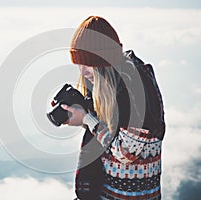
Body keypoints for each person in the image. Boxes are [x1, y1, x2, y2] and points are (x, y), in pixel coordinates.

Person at [61, 16, 165, 200]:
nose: (82, 72)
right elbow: (110, 138)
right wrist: (80, 117)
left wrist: (87, 119)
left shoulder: (135, 90)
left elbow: (126, 152)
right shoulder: (111, 87)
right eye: (78, 65)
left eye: (88, 64)